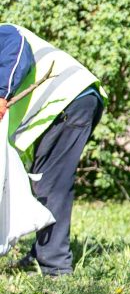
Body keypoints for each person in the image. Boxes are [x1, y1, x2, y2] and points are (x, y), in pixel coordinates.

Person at [0, 24, 104, 276]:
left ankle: (55, 265)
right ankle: (41, 253)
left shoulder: (6, 32)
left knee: (51, 183)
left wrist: (2, 94)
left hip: (67, 101)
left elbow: (18, 46)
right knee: (42, 180)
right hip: (65, 106)